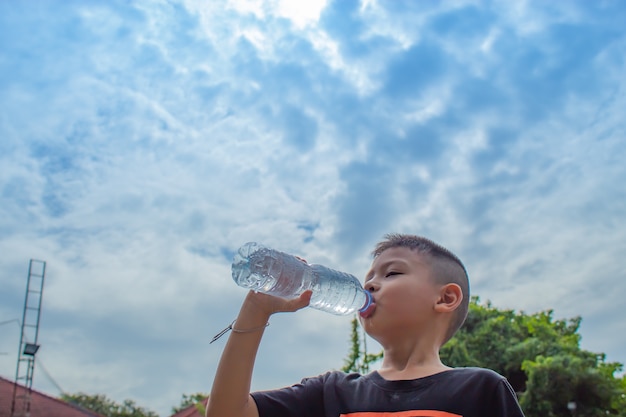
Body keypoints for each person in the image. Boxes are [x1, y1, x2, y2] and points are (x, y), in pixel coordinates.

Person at [206, 233, 525, 417]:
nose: (369, 286)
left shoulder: (481, 389)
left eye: (392, 274)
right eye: (368, 278)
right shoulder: (331, 392)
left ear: (445, 298)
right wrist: (256, 310)